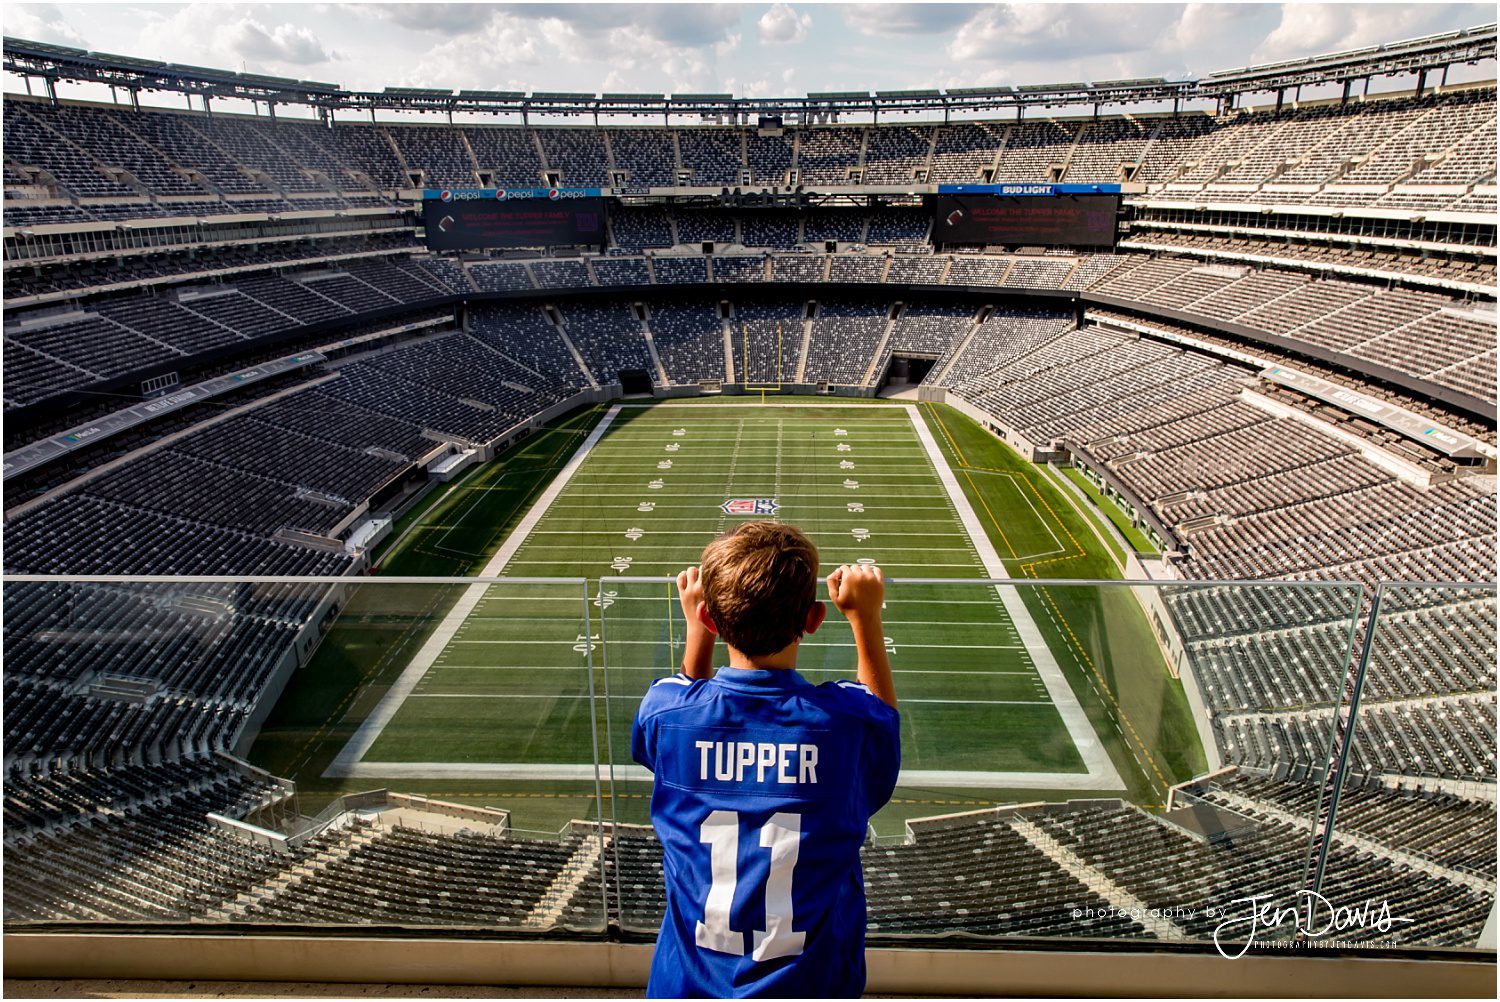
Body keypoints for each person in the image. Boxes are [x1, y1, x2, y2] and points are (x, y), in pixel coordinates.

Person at [631, 521, 900, 998]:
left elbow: (676, 721)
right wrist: (866, 619)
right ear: (814, 619)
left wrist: (697, 630)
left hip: (686, 986)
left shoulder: (667, 711)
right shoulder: (844, 723)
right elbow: (880, 722)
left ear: (712, 620)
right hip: (809, 985)